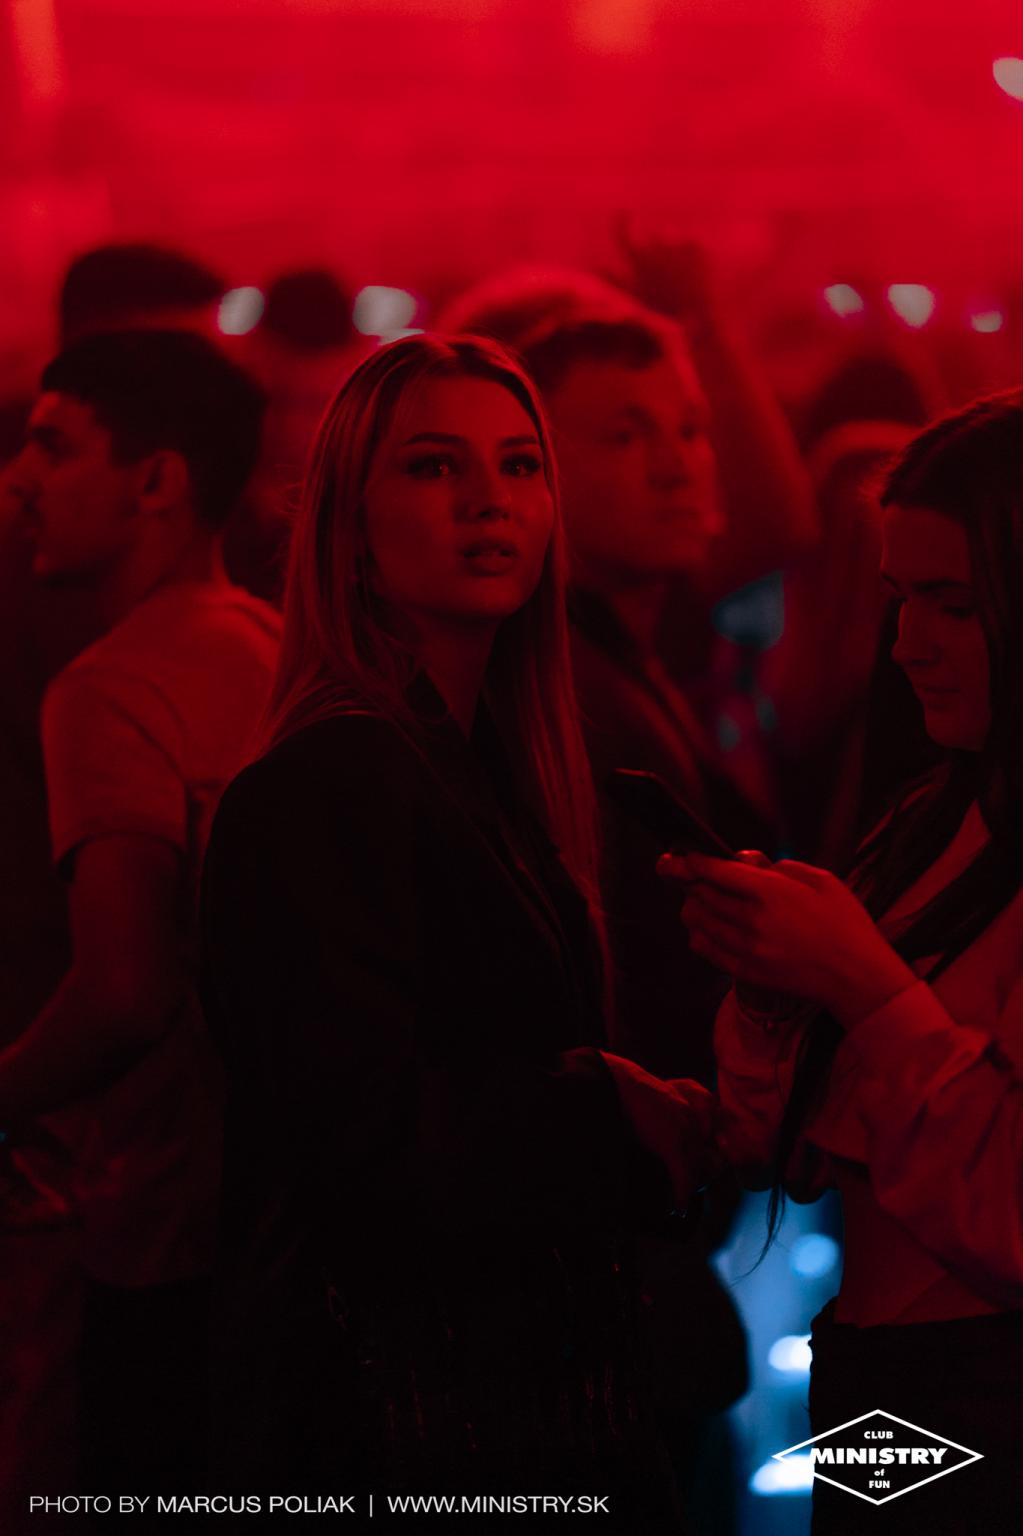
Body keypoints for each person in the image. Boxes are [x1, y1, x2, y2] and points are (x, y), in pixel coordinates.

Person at [199, 333, 713, 1526]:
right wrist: (611, 1106)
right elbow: (354, 1138)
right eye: (436, 467)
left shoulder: (488, 767)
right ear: (350, 530)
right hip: (405, 1429)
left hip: (519, 1396)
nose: (490, 500)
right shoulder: (331, 780)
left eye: (520, 465)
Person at [663, 390, 1023, 1531]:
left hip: (994, 1386)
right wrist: (774, 991)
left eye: (955, 605)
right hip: (880, 1370)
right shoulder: (936, 813)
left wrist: (865, 988)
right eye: (897, 598)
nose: (908, 643)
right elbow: (798, 1150)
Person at [0, 329, 280, 1511]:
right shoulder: (273, 641)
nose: (18, 478)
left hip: (163, 1233)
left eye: (54, 446)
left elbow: (126, 990)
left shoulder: (111, 685)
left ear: (157, 479)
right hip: (280, 1226)